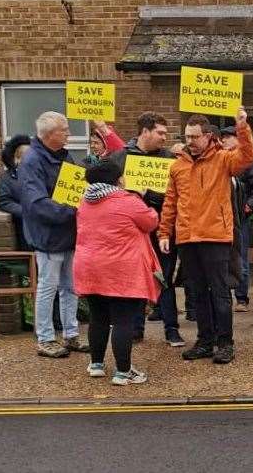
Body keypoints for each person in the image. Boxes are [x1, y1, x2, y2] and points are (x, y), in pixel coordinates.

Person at [158, 108, 253, 364]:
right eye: (187, 136)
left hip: (215, 237)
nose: (190, 141)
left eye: (195, 136)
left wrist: (242, 127)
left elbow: (248, 156)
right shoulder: (178, 165)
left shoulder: (223, 159)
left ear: (208, 136)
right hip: (188, 238)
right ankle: (204, 340)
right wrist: (164, 232)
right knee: (198, 292)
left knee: (220, 293)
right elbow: (171, 201)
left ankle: (225, 343)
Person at [73, 159, 161, 385]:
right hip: (120, 270)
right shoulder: (127, 201)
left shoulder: (84, 202)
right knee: (123, 320)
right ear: (117, 179)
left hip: (89, 268)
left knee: (98, 317)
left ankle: (96, 365)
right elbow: (151, 222)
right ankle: (123, 372)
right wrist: (142, 197)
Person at [110, 112, 185, 347]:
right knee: (133, 278)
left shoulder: (169, 159)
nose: (165, 137)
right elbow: (112, 191)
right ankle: (135, 329)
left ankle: (171, 330)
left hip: (162, 227)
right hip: (130, 230)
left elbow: (174, 194)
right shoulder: (119, 158)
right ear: (145, 131)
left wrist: (150, 196)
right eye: (160, 132)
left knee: (164, 278)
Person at [20, 111, 89, 358]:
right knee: (48, 288)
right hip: (48, 236)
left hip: (67, 233)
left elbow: (78, 182)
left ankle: (71, 334)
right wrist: (72, 211)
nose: (69, 134)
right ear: (50, 134)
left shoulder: (64, 156)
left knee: (70, 287)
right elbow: (37, 203)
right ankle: (46, 338)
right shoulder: (32, 161)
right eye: (65, 130)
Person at [219, 126, 253, 313]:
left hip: (240, 218)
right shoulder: (219, 160)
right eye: (222, 137)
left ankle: (241, 297)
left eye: (228, 137)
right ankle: (223, 296)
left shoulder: (249, 162)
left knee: (240, 258)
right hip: (220, 217)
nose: (224, 140)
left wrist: (246, 208)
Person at [0, 135, 32, 250]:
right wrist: (26, 212)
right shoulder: (6, 179)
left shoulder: (41, 175)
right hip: (23, 231)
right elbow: (4, 201)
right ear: (17, 158)